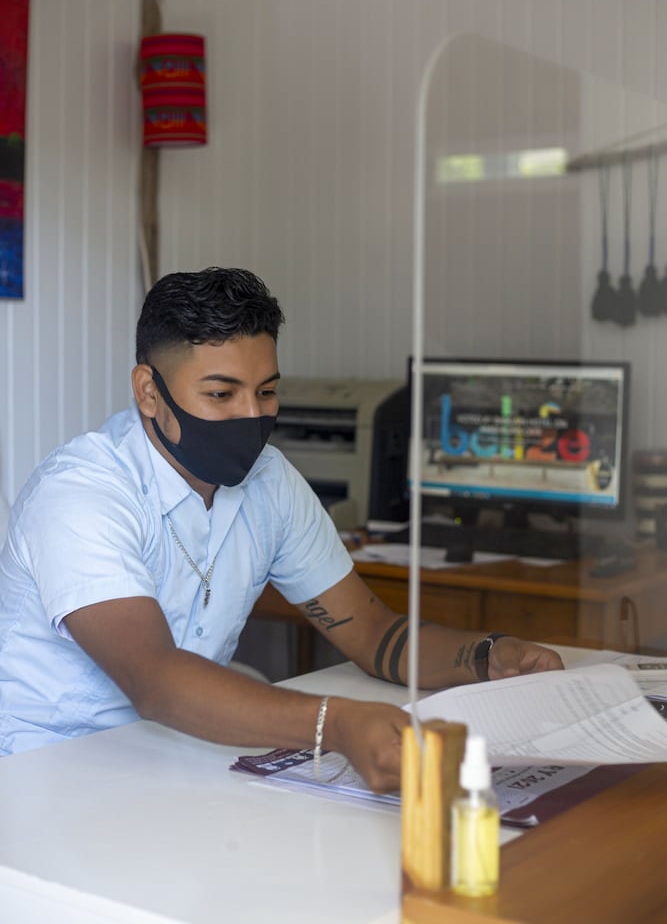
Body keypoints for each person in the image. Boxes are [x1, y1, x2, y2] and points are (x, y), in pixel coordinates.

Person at [0, 267, 562, 789]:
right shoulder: (82, 493)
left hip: (175, 758)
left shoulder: (269, 482)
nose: (252, 416)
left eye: (266, 391)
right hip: (40, 772)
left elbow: (373, 633)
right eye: (221, 394)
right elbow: (158, 681)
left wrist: (486, 655)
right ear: (149, 391)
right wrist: (336, 725)